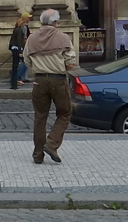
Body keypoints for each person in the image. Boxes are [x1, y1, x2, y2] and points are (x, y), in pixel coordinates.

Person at [23, 9, 77, 164]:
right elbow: (71, 63)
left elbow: (27, 61)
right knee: (65, 113)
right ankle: (51, 144)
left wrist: (40, 67)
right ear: (55, 22)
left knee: (40, 117)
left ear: (41, 21)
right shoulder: (63, 38)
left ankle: (38, 155)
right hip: (58, 80)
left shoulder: (32, 38)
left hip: (39, 81)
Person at [9, 11, 31, 89]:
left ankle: (14, 78)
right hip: (17, 49)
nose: (25, 24)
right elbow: (19, 41)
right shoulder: (19, 30)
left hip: (16, 48)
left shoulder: (17, 29)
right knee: (25, 62)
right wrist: (20, 51)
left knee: (17, 64)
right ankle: (16, 78)